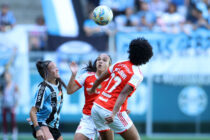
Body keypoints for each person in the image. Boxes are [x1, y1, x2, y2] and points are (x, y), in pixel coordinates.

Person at [89, 38, 153, 140]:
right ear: (146, 57)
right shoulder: (137, 74)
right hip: (111, 111)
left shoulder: (121, 63)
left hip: (96, 107)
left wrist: (93, 88)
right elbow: (123, 94)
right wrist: (114, 113)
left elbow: (103, 76)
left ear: (131, 51)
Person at [67, 53, 114, 140]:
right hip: (88, 118)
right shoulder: (87, 76)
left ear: (109, 65)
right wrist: (73, 74)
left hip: (104, 119)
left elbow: (120, 96)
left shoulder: (112, 80)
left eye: (104, 60)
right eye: (99, 59)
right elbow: (69, 91)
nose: (100, 61)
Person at [29, 60, 66, 140]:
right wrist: (37, 129)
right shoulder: (43, 88)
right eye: (53, 68)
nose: (57, 69)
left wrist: (73, 74)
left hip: (53, 126)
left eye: (56, 67)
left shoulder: (59, 85)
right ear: (47, 72)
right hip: (42, 123)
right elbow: (32, 111)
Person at [1, 71, 19, 140]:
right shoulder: (3, 85)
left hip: (12, 105)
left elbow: (18, 94)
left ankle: (14, 134)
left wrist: (16, 104)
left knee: (13, 121)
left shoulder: (14, 85)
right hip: (4, 105)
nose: (6, 78)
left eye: (7, 77)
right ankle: (5, 135)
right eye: (5, 77)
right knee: (4, 121)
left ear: (10, 77)